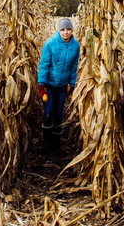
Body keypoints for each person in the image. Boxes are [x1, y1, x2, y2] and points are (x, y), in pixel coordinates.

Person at [37, 18, 80, 154]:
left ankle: (57, 146)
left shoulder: (75, 46)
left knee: (58, 115)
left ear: (71, 30)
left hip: (62, 87)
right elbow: (43, 65)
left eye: (68, 29)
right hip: (49, 85)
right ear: (58, 30)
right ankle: (46, 144)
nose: (65, 32)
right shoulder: (50, 44)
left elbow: (74, 67)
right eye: (62, 30)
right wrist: (41, 85)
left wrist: (72, 84)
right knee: (48, 112)